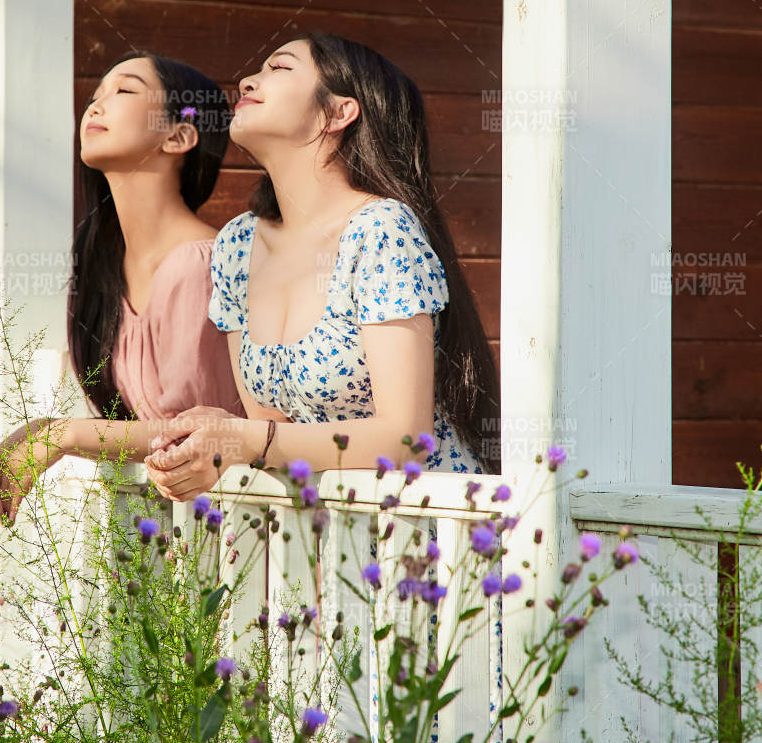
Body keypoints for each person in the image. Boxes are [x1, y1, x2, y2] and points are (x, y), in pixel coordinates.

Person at [143, 32, 499, 502]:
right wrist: (218, 438)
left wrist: (248, 438)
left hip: (425, 529)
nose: (249, 79)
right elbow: (273, 430)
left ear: (339, 112)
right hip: (325, 538)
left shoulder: (380, 231)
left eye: (280, 68)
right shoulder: (237, 244)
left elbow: (408, 440)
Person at [0, 52, 243, 522]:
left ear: (179, 135)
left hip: (232, 538)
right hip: (166, 538)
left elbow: (193, 436)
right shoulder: (107, 272)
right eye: (94, 96)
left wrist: (62, 434)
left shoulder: (199, 266)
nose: (96, 107)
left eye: (124, 90)